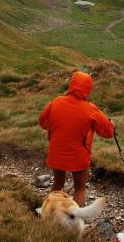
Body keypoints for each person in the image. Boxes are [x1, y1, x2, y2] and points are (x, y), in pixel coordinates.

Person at [38, 71, 114, 206]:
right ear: (88, 89)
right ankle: (76, 220)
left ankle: (49, 213)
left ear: (71, 85)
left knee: (57, 183)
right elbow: (108, 133)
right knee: (79, 188)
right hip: (79, 157)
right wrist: (111, 125)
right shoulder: (90, 109)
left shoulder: (56, 101)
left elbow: (43, 122)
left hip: (57, 153)